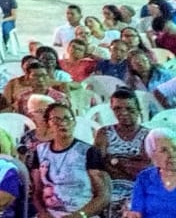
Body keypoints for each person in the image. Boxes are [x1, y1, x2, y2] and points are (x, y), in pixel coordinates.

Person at [32, 103, 111, 218]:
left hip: (82, 214)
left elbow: (103, 196)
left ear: (74, 123)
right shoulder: (40, 152)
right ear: (48, 124)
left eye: (67, 119)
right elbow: (37, 193)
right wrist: (44, 213)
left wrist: (80, 215)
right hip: (51, 214)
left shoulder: (88, 151)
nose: (63, 123)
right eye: (56, 120)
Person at [96, 89, 150, 218]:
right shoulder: (104, 132)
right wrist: (132, 161)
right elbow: (97, 166)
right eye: (117, 109)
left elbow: (144, 170)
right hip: (108, 188)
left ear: (138, 109)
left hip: (138, 188)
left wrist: (114, 161)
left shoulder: (147, 135)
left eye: (129, 109)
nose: (123, 113)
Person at [126, 127, 176, 218]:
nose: (172, 154)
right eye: (164, 150)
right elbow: (136, 212)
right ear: (152, 155)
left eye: (175, 148)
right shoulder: (145, 178)